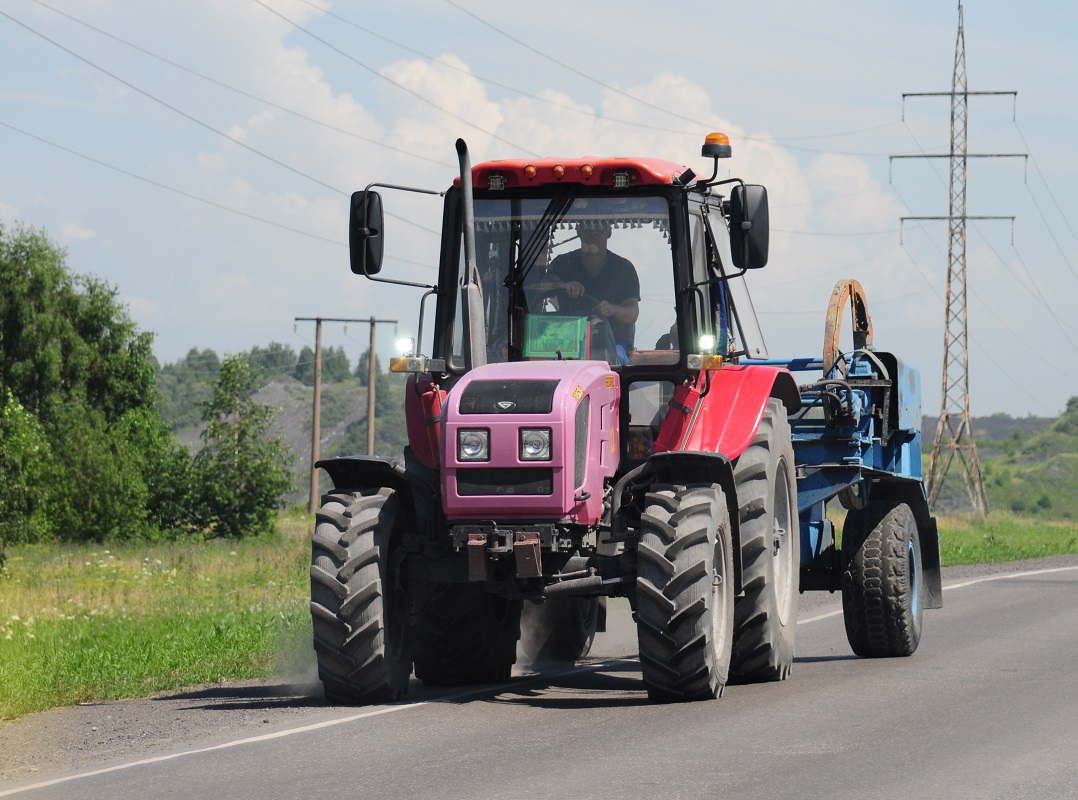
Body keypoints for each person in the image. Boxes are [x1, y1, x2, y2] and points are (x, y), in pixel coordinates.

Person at [543, 223, 640, 358]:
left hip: (612, 342)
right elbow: (541, 285)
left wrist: (612, 309)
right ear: (578, 231)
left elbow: (632, 312)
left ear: (609, 232)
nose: (593, 231)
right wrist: (563, 285)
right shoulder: (563, 263)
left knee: (611, 360)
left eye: (600, 226)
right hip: (565, 340)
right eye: (587, 225)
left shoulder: (624, 268)